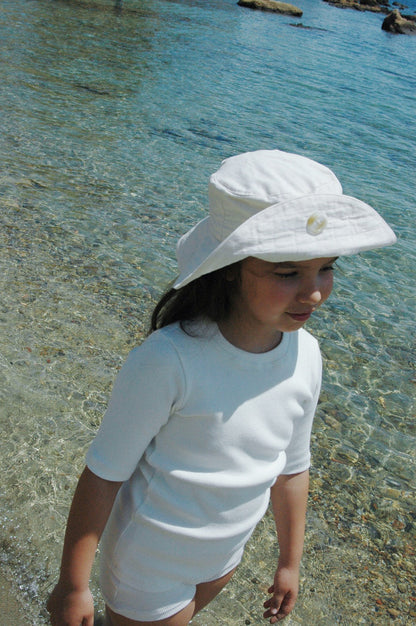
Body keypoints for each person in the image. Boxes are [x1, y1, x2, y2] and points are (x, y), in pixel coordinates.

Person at [47, 150, 396, 626]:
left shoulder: (307, 355)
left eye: (326, 268)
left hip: (224, 558)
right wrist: (72, 586)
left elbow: (291, 469)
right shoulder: (170, 359)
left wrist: (290, 563)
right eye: (288, 272)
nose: (314, 292)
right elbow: (104, 474)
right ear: (232, 264)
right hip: (149, 563)